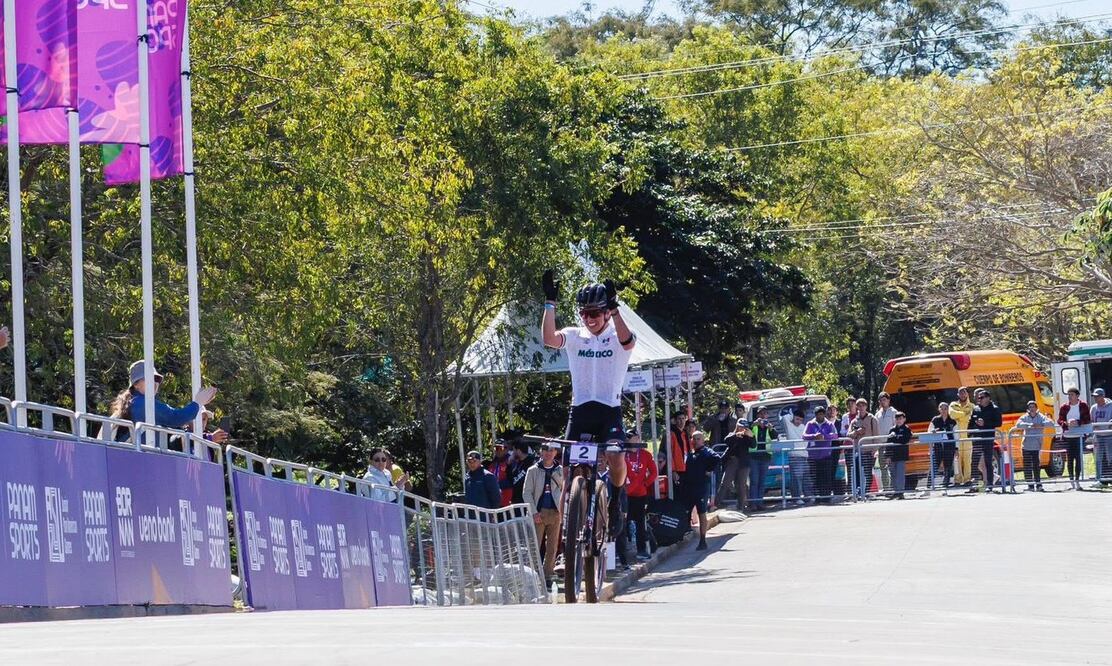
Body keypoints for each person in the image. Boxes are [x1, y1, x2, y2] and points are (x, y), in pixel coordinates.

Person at [540, 270, 634, 489]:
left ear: (606, 313)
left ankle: (617, 496)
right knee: (566, 475)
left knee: (615, 455)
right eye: (584, 314)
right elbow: (549, 339)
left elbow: (628, 342)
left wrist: (615, 309)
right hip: (580, 410)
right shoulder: (575, 335)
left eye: (595, 314)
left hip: (609, 410)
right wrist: (549, 303)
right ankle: (567, 522)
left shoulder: (615, 335)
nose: (589, 319)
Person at [109, 360, 217, 433]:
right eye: (149, 378)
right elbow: (175, 417)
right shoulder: (142, 404)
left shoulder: (132, 402)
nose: (155, 382)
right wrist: (198, 403)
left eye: (157, 379)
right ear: (135, 384)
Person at [523, 442, 564, 583]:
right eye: (545, 449)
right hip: (539, 512)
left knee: (552, 547)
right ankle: (533, 576)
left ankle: (547, 575)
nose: (548, 452)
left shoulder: (560, 470)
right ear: (541, 452)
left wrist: (562, 510)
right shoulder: (533, 470)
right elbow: (527, 493)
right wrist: (534, 512)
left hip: (555, 512)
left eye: (551, 450)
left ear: (555, 453)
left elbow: (564, 490)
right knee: (534, 545)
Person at [681, 431, 720, 550]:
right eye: (694, 439)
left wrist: (709, 469)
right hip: (689, 487)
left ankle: (703, 539)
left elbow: (717, 458)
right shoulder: (690, 453)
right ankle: (683, 534)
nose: (696, 441)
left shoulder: (706, 451)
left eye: (698, 439)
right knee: (685, 511)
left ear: (703, 440)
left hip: (701, 487)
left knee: (701, 512)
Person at [623, 431, 657, 560]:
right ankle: (622, 550)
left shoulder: (645, 454)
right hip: (625, 494)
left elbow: (653, 472)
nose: (631, 440)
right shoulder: (622, 454)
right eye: (629, 438)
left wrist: (645, 483)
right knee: (623, 522)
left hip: (640, 494)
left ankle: (641, 550)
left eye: (634, 438)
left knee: (640, 523)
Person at [1057, 387, 1091, 490]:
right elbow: (1060, 420)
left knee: (1078, 459)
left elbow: (1087, 419)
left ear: (1077, 396)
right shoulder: (1064, 407)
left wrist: (1078, 422)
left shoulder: (1083, 405)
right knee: (1070, 459)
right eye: (1068, 395)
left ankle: (1077, 480)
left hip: (1079, 436)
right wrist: (1066, 423)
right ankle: (1071, 479)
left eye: (1071, 395)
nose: (1069, 397)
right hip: (1068, 435)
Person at [1016, 401, 1054, 491]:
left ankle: (1038, 484)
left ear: (1036, 408)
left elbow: (1051, 423)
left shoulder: (1041, 416)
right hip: (1026, 445)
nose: (1032, 409)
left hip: (1037, 446)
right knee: (1027, 466)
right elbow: (1018, 424)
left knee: (1036, 466)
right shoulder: (1024, 417)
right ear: (1028, 409)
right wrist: (1030, 425)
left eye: (1033, 407)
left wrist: (1041, 424)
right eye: (1030, 407)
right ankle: (1030, 485)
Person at [714, 420, 751, 511]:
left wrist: (751, 436)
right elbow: (726, 440)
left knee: (741, 485)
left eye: (744, 427)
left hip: (744, 463)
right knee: (725, 483)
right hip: (732, 461)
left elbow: (753, 445)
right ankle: (716, 504)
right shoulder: (732, 434)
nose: (742, 428)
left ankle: (741, 506)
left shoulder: (748, 436)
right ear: (737, 426)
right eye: (740, 426)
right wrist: (736, 435)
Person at [969, 390, 1002, 492]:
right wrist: (969, 432)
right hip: (977, 438)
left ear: (988, 398)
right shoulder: (976, 408)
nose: (979, 400)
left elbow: (999, 423)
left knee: (988, 462)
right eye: (978, 398)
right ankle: (976, 485)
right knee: (975, 462)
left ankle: (990, 485)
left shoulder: (995, 409)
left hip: (988, 438)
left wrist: (985, 423)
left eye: (981, 397)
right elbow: (971, 422)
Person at [803, 407, 838, 502]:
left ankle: (826, 497)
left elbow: (835, 435)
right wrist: (814, 436)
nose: (820, 416)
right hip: (813, 457)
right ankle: (817, 497)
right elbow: (804, 436)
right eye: (818, 414)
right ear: (815, 415)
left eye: (822, 414)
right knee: (815, 477)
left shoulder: (829, 424)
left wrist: (825, 436)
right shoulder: (810, 424)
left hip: (826, 456)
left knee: (826, 477)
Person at [848, 398, 880, 499]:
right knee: (856, 472)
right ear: (856, 407)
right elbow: (849, 434)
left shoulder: (872, 419)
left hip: (869, 451)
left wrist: (875, 450)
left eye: (863, 405)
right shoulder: (854, 421)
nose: (861, 408)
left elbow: (876, 436)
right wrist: (856, 432)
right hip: (858, 451)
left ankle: (865, 492)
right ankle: (858, 492)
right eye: (859, 406)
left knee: (867, 472)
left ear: (866, 407)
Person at [748, 407, 776, 510]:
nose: (763, 416)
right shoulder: (753, 425)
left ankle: (759, 503)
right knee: (754, 481)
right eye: (761, 414)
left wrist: (771, 428)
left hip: (765, 457)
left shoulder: (769, 425)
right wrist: (753, 424)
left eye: (765, 413)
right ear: (757, 415)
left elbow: (774, 436)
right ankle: (753, 503)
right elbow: (746, 432)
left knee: (762, 481)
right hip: (754, 456)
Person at [949, 386, 975, 486]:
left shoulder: (972, 406)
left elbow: (970, 417)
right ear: (958, 394)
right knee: (957, 459)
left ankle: (967, 479)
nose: (962, 394)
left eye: (964, 392)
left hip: (967, 436)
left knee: (967, 459)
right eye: (960, 393)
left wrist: (960, 416)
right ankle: (957, 480)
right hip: (956, 436)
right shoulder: (953, 404)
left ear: (967, 394)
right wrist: (964, 414)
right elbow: (952, 415)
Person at [783, 410, 810, 505]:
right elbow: (785, 417)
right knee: (797, 477)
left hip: (804, 455)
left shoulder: (804, 427)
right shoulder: (789, 425)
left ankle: (808, 496)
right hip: (794, 456)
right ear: (793, 417)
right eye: (797, 419)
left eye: (801, 420)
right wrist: (792, 415)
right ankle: (796, 497)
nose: (798, 421)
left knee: (806, 477)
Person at [929, 402, 958, 488]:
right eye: (942, 409)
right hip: (938, 445)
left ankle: (946, 482)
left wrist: (956, 448)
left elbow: (956, 435)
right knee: (935, 464)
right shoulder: (935, 420)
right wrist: (933, 431)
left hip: (949, 446)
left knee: (948, 464)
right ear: (939, 410)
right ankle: (929, 483)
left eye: (945, 408)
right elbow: (929, 430)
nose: (944, 410)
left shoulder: (952, 421)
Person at [886, 412, 912, 499]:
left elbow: (906, 439)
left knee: (900, 473)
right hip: (893, 455)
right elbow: (888, 443)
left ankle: (900, 492)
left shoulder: (906, 429)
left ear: (904, 419)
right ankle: (895, 491)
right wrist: (888, 456)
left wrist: (897, 439)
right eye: (897, 419)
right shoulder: (892, 429)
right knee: (893, 474)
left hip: (901, 455)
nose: (899, 420)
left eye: (900, 418)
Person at [665, 411, 691, 495]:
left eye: (683, 419)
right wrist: (673, 470)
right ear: (675, 421)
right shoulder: (672, 434)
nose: (682, 421)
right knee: (678, 494)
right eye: (679, 419)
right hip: (677, 469)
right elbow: (669, 453)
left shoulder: (685, 433)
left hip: (686, 467)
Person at [875, 392, 897, 491]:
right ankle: (886, 489)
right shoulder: (877, 414)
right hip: (881, 444)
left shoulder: (893, 412)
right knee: (883, 468)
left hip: (890, 444)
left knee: (892, 467)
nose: (883, 402)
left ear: (888, 400)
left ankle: (893, 488)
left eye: (884, 400)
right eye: (881, 400)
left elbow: (896, 426)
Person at [1090, 388, 1112, 483]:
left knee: (1110, 457)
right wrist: (1094, 427)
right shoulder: (1093, 408)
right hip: (1098, 436)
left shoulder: (1111, 406)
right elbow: (1091, 421)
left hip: (1109, 435)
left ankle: (1110, 478)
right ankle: (1098, 478)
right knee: (1098, 458)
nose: (1095, 398)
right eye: (1094, 396)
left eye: (1097, 396)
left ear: (1102, 396)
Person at [487, 440, 513, 507]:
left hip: (508, 502)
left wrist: (495, 485)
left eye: (500, 448)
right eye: (496, 448)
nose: (497, 451)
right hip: (494, 502)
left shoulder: (511, 462)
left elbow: (512, 481)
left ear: (506, 449)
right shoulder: (492, 464)